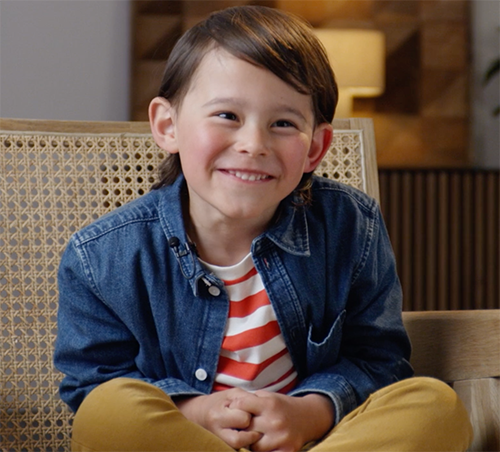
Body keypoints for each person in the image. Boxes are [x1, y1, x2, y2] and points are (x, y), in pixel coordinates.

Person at [54, 5, 473, 452]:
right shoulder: (100, 256)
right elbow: (92, 384)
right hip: (187, 441)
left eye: (283, 124)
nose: (254, 144)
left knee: (434, 406)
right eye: (227, 116)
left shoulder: (350, 225)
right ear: (167, 125)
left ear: (315, 148)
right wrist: (195, 412)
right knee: (107, 412)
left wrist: (309, 412)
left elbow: (378, 360)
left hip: (315, 441)